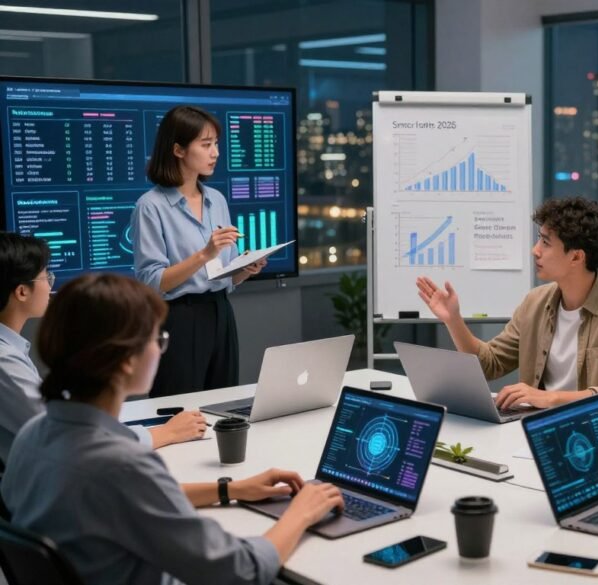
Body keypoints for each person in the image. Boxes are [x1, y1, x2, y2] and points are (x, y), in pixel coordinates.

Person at [1, 273, 343, 584]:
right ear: (127, 359)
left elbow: (135, 501)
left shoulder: (33, 436)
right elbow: (241, 571)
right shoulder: (121, 466)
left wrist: (231, 488)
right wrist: (301, 514)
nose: (161, 348)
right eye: (157, 338)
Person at [416, 197, 598, 422]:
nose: (535, 250)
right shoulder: (536, 301)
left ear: (576, 257)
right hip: (543, 427)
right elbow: (490, 364)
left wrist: (548, 399)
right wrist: (453, 320)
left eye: (546, 242)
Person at [0, 232, 204, 463]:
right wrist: (165, 433)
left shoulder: (11, 348)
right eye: (46, 275)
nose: (50, 284)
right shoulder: (4, 361)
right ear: (22, 291)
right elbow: (65, 435)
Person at [131, 105, 267, 397]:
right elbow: (152, 282)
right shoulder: (150, 206)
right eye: (206, 145)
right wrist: (204, 254)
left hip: (220, 313)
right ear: (178, 150)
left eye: (215, 144)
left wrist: (244, 270)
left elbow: (222, 278)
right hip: (179, 319)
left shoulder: (216, 199)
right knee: (179, 409)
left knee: (223, 404)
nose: (215, 152)